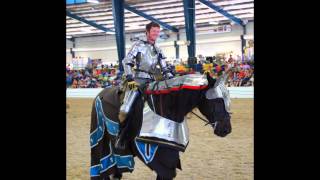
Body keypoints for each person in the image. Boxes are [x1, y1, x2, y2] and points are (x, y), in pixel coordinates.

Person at [116, 22, 173, 149]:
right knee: (125, 109)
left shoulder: (158, 50)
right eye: (154, 31)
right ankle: (121, 135)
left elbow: (165, 69)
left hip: (153, 81)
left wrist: (171, 78)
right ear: (147, 32)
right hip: (136, 80)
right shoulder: (138, 45)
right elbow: (126, 61)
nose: (156, 34)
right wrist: (130, 78)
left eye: (158, 32)